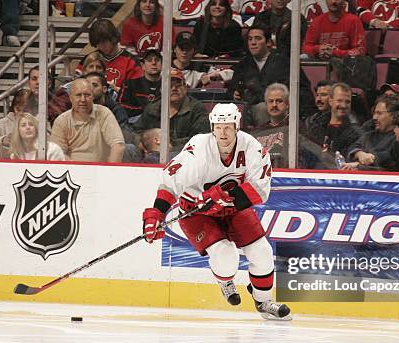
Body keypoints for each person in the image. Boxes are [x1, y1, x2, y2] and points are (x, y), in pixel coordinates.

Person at [141, 102, 291, 320]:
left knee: (262, 251)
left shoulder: (252, 147)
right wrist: (157, 214)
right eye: (219, 127)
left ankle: (263, 300)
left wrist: (226, 199)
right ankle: (225, 281)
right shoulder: (199, 148)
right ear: (212, 127)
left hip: (232, 209)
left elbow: (260, 189)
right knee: (225, 255)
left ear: (237, 125)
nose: (223, 132)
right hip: (196, 211)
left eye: (228, 126)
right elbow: (171, 182)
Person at [229, 24, 316, 127]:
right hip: (247, 108)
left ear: (269, 43)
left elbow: (301, 92)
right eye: (250, 39)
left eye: (258, 38)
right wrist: (234, 93)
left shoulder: (283, 63)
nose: (253, 43)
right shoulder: (243, 65)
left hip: (279, 109)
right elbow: (232, 87)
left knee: (262, 108)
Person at [132, 69, 210, 152]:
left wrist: (169, 145)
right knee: (130, 149)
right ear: (161, 90)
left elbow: (200, 138)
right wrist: (143, 144)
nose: (174, 88)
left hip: (184, 153)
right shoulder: (152, 108)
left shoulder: (196, 109)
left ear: (186, 88)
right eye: (169, 85)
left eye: (178, 85)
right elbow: (137, 132)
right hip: (152, 151)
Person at [50, 79, 126, 162]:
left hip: (102, 171)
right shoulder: (61, 121)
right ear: (71, 98)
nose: (83, 99)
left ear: (93, 97)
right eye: (78, 95)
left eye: (87, 95)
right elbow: (58, 153)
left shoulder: (104, 113)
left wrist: (110, 171)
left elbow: (118, 146)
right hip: (72, 171)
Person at [304, 82, 363, 159]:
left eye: (347, 102)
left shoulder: (356, 133)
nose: (343, 105)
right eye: (339, 101)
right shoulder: (315, 126)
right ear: (330, 101)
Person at [344, 95, 399, 170]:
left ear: (393, 116)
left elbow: (387, 159)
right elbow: (352, 147)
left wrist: (359, 164)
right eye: (374, 113)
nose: (374, 117)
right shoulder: (369, 135)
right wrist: (359, 154)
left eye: (379, 113)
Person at [86, 19, 143, 93]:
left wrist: (116, 89)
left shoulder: (131, 61)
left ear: (113, 38)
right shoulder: (90, 59)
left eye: (104, 41)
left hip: (121, 102)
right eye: (97, 43)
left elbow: (136, 92)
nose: (100, 46)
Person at [119, 48, 162, 118]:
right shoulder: (129, 84)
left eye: (157, 60)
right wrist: (146, 110)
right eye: (149, 60)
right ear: (142, 65)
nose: (154, 63)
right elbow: (120, 107)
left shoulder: (169, 86)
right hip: (134, 125)